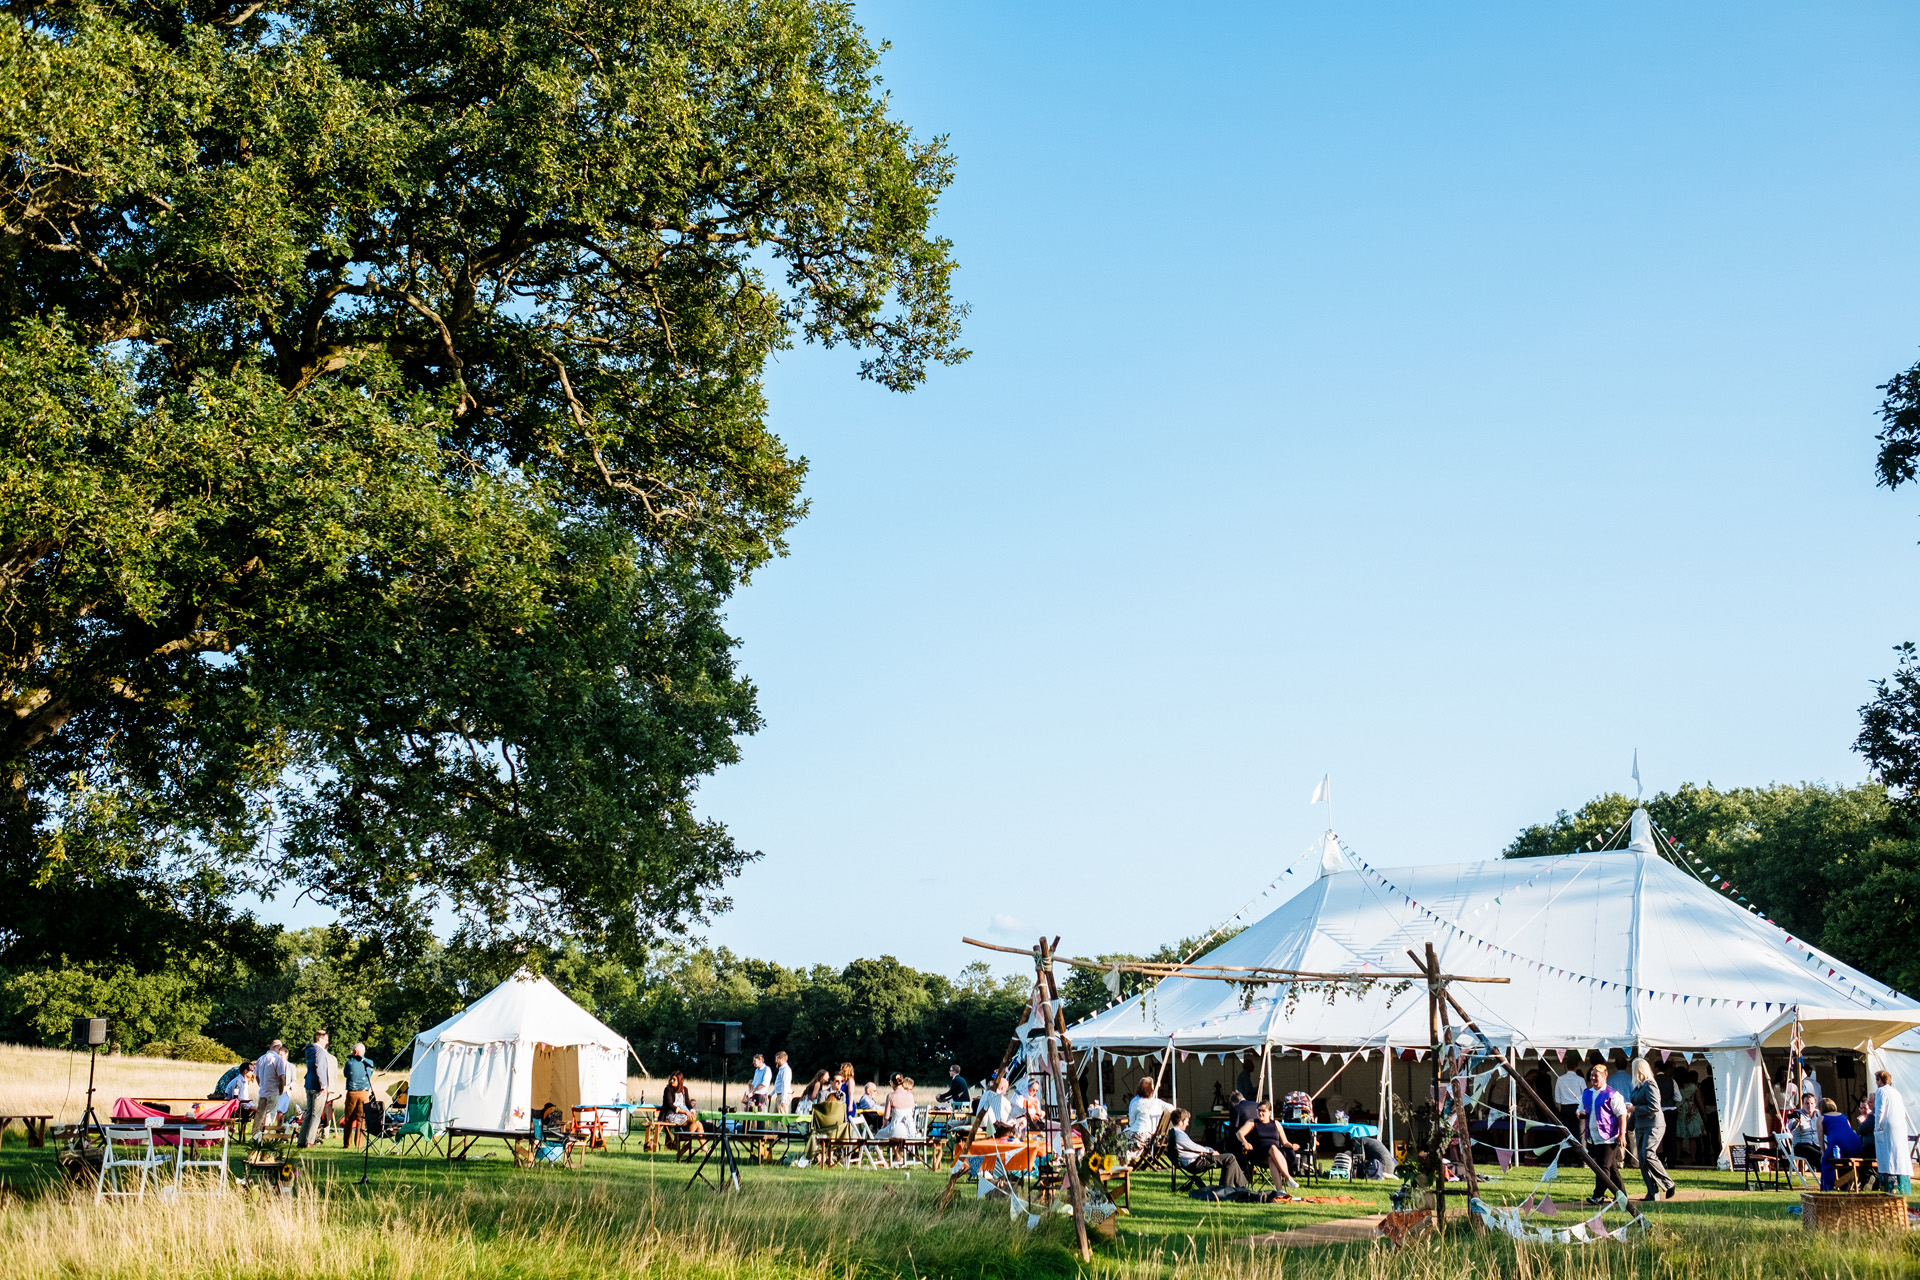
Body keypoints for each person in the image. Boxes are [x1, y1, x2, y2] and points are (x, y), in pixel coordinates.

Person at [1577, 1062, 1630, 1204]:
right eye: (1591, 1076)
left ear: (1604, 1077)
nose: (1593, 1078)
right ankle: (1622, 1195)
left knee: (1603, 1167)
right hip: (1593, 1136)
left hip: (1609, 1136)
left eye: (1596, 1076)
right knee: (1611, 1169)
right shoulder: (1587, 1093)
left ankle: (1598, 1195)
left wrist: (1622, 1134)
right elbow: (1580, 1109)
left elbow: (1622, 1114)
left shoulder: (1613, 1095)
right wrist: (1580, 1113)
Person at [1627, 1058, 1677, 1201]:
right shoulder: (1637, 1087)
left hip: (1654, 1125)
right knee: (1642, 1159)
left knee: (1648, 1154)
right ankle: (1652, 1193)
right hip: (1641, 1125)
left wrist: (1635, 1108)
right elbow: (1635, 1110)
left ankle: (1668, 1183)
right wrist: (1629, 1126)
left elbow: (1655, 1106)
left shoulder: (1650, 1084)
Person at [1169, 1108, 1247, 1188]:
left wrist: (1208, 1149)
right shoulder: (1179, 1134)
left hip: (1194, 1160)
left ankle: (1230, 1187)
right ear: (1180, 1121)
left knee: (1228, 1158)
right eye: (1186, 1121)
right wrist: (1209, 1151)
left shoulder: (1173, 1132)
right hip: (1195, 1162)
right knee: (1230, 1158)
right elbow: (1194, 1147)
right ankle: (1230, 1188)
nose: (1187, 1124)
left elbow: (1191, 1147)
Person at [1234, 1099, 1302, 1188]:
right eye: (1259, 1110)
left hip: (1275, 1154)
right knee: (1273, 1148)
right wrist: (1245, 1142)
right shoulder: (1252, 1122)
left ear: (1270, 1112)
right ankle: (1288, 1178)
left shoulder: (1276, 1123)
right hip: (1259, 1153)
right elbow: (1239, 1133)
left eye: (1263, 1111)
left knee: (1271, 1158)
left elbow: (1285, 1142)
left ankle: (1280, 1191)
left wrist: (1292, 1146)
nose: (1260, 1113)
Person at [1870, 1069, 1913, 1195]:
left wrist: (1877, 1127)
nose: (1876, 1083)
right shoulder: (1896, 1092)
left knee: (1888, 1156)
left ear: (1879, 1080)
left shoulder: (1881, 1091)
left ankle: (1890, 1185)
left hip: (1888, 1127)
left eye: (1876, 1080)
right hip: (1899, 1126)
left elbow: (1880, 1111)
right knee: (1899, 1154)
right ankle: (1901, 1185)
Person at [298, 1029, 334, 1148]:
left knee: (308, 1114)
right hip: (318, 1086)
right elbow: (319, 1067)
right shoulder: (319, 1051)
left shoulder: (309, 1050)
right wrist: (323, 1085)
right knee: (316, 1115)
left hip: (309, 1084)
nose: (327, 1042)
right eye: (326, 1040)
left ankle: (301, 1140)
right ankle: (310, 1141)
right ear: (320, 1039)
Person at [876, 1074, 919, 1165]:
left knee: (879, 1136)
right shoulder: (910, 1096)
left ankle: (880, 1158)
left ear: (892, 1083)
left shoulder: (891, 1096)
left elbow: (886, 1116)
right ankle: (899, 1158)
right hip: (910, 1131)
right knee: (895, 1136)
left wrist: (883, 1126)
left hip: (896, 1128)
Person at [1126, 1077, 1173, 1157]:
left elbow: (1131, 1122)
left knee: (1118, 1137)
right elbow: (1172, 1108)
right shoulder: (1158, 1103)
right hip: (1153, 1137)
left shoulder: (1135, 1102)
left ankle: (1127, 1161)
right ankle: (1135, 1157)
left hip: (1139, 1138)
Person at [253, 1039, 290, 1139]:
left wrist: (261, 1085)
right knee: (271, 1113)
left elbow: (256, 1075)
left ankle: (255, 1135)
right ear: (278, 1048)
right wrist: (281, 1089)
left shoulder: (261, 1058)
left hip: (263, 1091)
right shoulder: (277, 1059)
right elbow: (281, 1076)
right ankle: (266, 1136)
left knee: (259, 1114)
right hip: (273, 1090)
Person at [342, 1042, 375, 1148]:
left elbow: (346, 1074)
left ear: (355, 1051)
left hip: (352, 1093)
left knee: (349, 1119)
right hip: (365, 1093)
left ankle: (347, 1144)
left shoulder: (349, 1063)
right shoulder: (370, 1062)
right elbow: (370, 1074)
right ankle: (359, 1144)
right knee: (362, 1119)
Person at [1674, 1068, 1705, 1165]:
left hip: (1679, 1111)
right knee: (1693, 1137)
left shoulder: (1676, 1087)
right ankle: (1693, 1158)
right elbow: (1699, 1101)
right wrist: (1703, 1114)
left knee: (1679, 1137)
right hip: (1692, 1112)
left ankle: (1678, 1157)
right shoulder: (1694, 1087)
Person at [660, 1071, 704, 1137]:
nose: (671, 1081)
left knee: (698, 1124)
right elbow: (670, 1105)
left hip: (682, 1115)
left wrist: (692, 1111)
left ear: (679, 1081)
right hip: (672, 1115)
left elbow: (688, 1103)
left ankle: (703, 1147)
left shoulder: (685, 1090)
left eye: (674, 1079)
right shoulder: (668, 1089)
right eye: (671, 1079)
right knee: (695, 1120)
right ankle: (685, 1139)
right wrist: (685, 1112)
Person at [1786, 1093, 1824, 1171]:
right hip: (1801, 1145)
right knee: (1820, 1156)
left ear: (1815, 1104)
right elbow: (1790, 1127)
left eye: (1811, 1103)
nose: (1809, 1106)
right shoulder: (1797, 1114)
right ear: (1803, 1104)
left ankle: (1825, 1177)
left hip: (1816, 1144)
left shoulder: (1819, 1114)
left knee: (1829, 1154)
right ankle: (1826, 1177)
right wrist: (1796, 1122)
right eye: (1807, 1103)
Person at [977, 1074, 1020, 1138]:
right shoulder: (998, 1097)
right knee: (1012, 1129)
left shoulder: (986, 1093)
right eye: (1006, 1089)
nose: (1005, 1092)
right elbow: (1003, 1116)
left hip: (981, 1124)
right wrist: (1014, 1123)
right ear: (1002, 1088)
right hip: (989, 1127)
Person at [1553, 1060, 1585, 1138]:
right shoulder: (1580, 1079)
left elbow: (1557, 1096)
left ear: (1566, 1067)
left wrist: (1560, 1109)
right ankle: (1577, 1149)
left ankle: (1566, 1149)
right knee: (1577, 1131)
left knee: (1566, 1132)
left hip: (1565, 1107)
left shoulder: (1560, 1079)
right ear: (1577, 1067)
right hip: (1577, 1107)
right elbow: (1585, 1095)